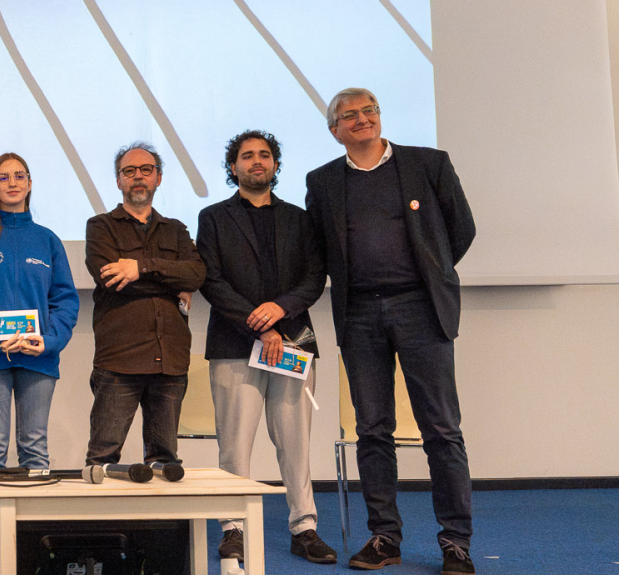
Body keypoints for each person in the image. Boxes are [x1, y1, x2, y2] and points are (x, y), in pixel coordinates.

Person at [305, 88, 477, 574]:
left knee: (441, 430)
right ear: (335, 130)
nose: (362, 119)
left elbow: (460, 230)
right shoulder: (322, 181)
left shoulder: (429, 163)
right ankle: (384, 538)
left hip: (421, 309)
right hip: (359, 314)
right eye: (350, 115)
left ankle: (456, 542)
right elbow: (320, 249)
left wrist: (431, 272)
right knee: (372, 431)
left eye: (369, 111)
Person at [196, 130, 335, 565]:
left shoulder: (300, 218)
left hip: (293, 340)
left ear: (275, 164)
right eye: (247, 155)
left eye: (264, 154)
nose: (256, 161)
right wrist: (258, 325)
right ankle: (232, 529)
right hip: (235, 342)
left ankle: (304, 527)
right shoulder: (213, 217)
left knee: (295, 441)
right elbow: (211, 280)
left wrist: (279, 310)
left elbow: (314, 277)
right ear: (233, 166)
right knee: (234, 443)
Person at [0, 153, 78, 470]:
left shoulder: (48, 240)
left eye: (19, 176)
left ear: (30, 184)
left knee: (35, 448)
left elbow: (65, 300)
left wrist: (49, 341)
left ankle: (33, 508)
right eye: (4, 177)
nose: (12, 182)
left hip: (38, 357)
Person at [83, 142, 205, 469]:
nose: (138, 176)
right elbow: (110, 279)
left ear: (158, 178)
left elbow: (196, 275)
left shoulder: (176, 230)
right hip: (119, 360)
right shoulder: (100, 227)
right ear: (118, 181)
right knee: (102, 458)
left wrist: (140, 268)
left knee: (165, 462)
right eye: (129, 171)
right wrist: (171, 280)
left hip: (170, 360)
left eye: (146, 170)